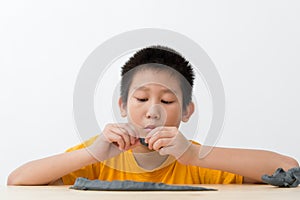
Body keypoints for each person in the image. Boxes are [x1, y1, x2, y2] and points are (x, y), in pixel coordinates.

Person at [7, 46, 299, 186]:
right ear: (122, 105)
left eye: (168, 100)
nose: (153, 111)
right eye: (142, 98)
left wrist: (196, 156)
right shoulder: (101, 156)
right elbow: (17, 181)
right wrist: (91, 154)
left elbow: (288, 169)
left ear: (187, 111)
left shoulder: (196, 159)